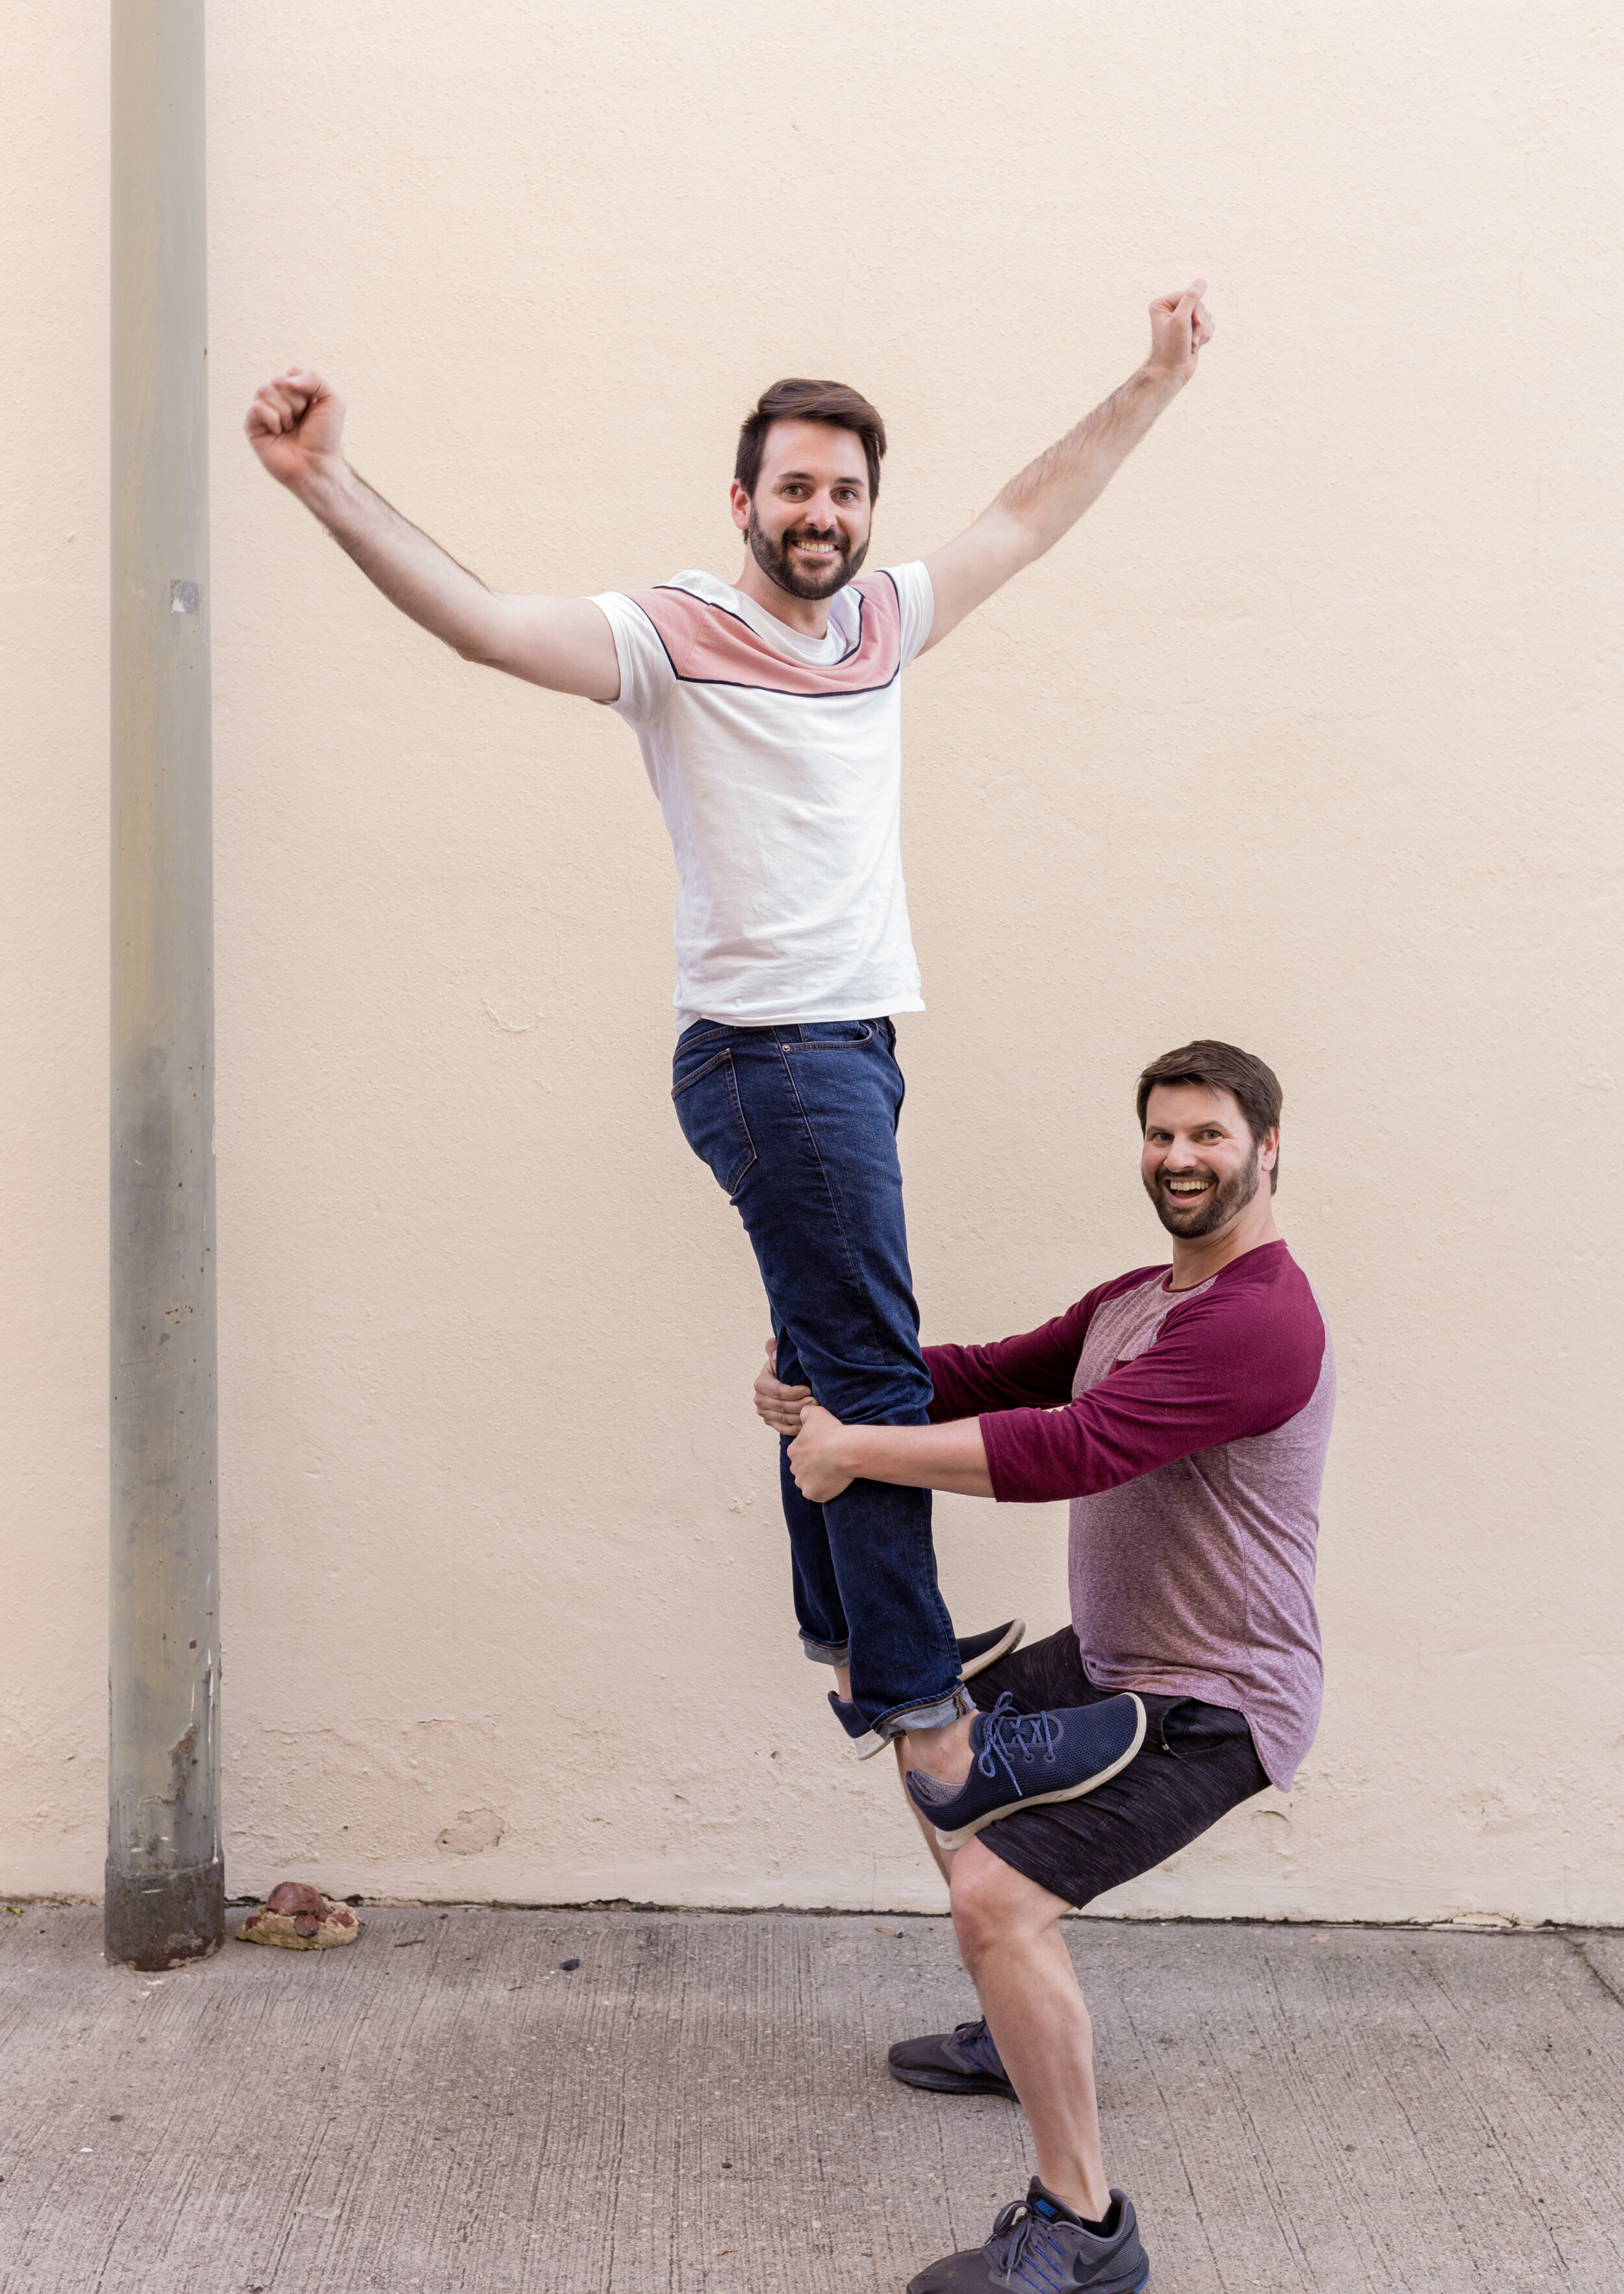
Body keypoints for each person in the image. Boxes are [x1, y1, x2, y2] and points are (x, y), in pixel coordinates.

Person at [244, 286, 1213, 1823]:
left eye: (844, 491)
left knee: (818, 1365)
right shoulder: (676, 632)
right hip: (774, 1062)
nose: (820, 514)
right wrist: (326, 484)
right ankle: (930, 1729)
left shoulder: (884, 621)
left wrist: (1151, 378)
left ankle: (845, 1643)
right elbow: (488, 624)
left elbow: (1029, 514)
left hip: (851, 1052)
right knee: (875, 1381)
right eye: (794, 487)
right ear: (744, 500)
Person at [755, 1040, 1336, 2294]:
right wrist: (823, 1386)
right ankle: (1015, 2033)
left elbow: (1075, 1447)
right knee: (922, 1744)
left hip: (1215, 1696)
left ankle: (1083, 2229)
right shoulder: (1139, 1297)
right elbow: (998, 1373)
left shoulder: (1259, 1320)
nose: (1178, 1158)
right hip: (1119, 1652)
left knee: (991, 1896)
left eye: (1207, 1138)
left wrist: (859, 1451)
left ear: (1267, 1149)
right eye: (1160, 1136)